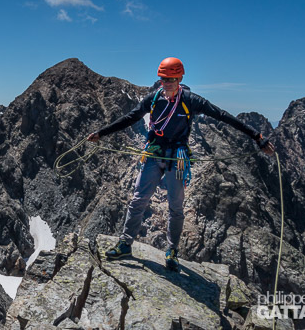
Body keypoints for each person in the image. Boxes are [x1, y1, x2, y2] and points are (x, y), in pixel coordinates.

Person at [87, 57, 275, 270]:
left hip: (177, 158)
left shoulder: (191, 100)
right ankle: (125, 243)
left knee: (175, 207)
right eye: (164, 79)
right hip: (153, 154)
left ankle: (172, 251)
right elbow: (130, 117)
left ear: (180, 78)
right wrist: (101, 133)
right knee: (138, 199)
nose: (167, 83)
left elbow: (223, 116)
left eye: (171, 79)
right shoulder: (153, 99)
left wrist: (257, 137)